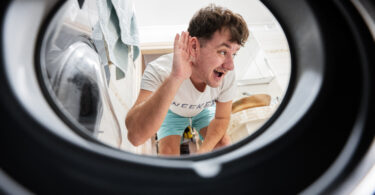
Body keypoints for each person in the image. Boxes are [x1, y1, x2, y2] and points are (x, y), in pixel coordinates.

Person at [125, 4, 249, 155]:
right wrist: (176, 77)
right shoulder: (158, 70)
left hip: (202, 111)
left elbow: (222, 117)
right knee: (168, 154)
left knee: (223, 145)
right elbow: (135, 137)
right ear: (194, 46)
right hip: (172, 113)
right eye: (223, 51)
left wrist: (203, 151)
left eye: (234, 54)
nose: (230, 66)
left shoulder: (227, 75)